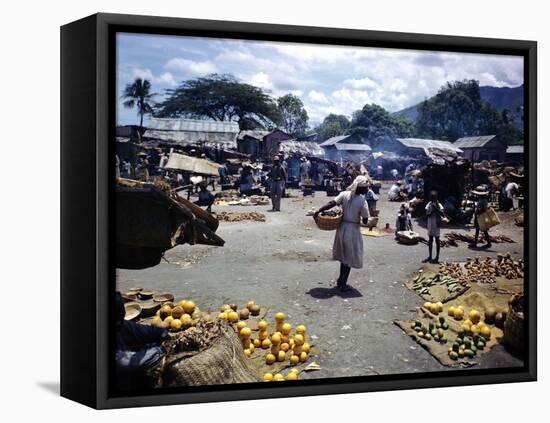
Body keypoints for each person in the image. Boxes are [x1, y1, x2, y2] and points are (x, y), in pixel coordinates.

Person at [313, 175, 370, 292]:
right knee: (348, 258)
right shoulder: (362, 201)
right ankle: (343, 284)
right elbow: (365, 220)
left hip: (342, 227)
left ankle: (340, 280)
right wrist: (364, 218)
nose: (366, 190)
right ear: (361, 188)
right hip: (353, 229)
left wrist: (319, 210)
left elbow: (331, 203)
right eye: (365, 188)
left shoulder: (344, 194)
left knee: (343, 256)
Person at [114, 292, 169, 390]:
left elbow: (143, 331)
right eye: (117, 319)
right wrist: (160, 349)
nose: (120, 322)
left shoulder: (121, 325)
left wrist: (162, 333)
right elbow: (126, 362)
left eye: (121, 318)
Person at [423, 190, 445, 264]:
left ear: (436, 198)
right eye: (432, 198)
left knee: (437, 240)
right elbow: (426, 215)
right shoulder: (429, 204)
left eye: (434, 198)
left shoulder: (439, 205)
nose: (432, 199)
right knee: (430, 240)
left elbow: (442, 214)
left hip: (436, 224)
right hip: (430, 224)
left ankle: (437, 257)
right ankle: (430, 256)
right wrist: (431, 212)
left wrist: (435, 208)